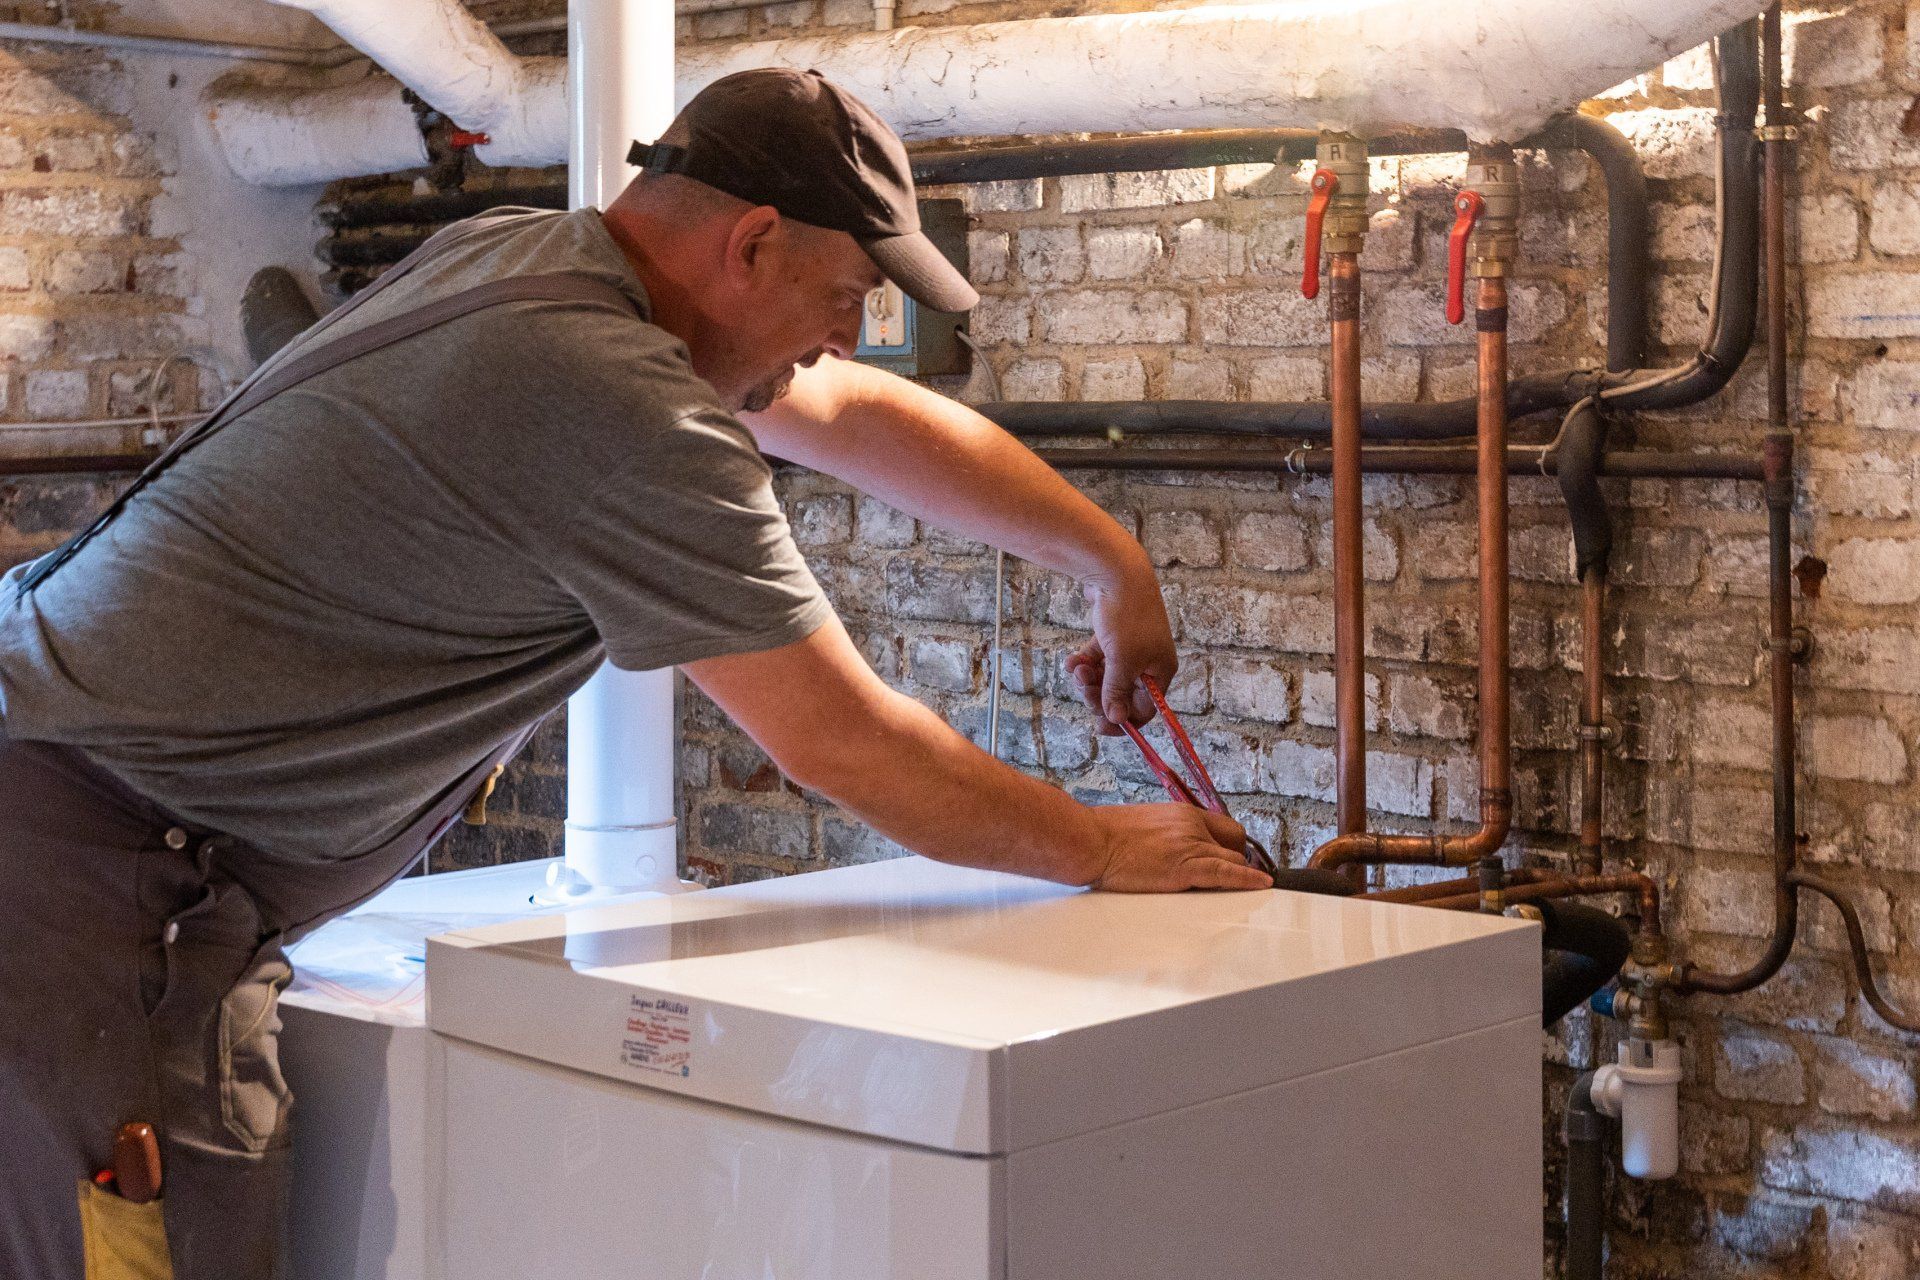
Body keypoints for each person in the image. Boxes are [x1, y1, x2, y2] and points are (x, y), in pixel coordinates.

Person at [0, 67, 1267, 1280]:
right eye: (848, 294)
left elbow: (855, 420)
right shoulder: (618, 404)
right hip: (99, 880)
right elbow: (844, 744)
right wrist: (1098, 846)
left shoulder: (533, 258)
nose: (851, 334)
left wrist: (1108, 558)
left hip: (63, 792)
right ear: (754, 241)